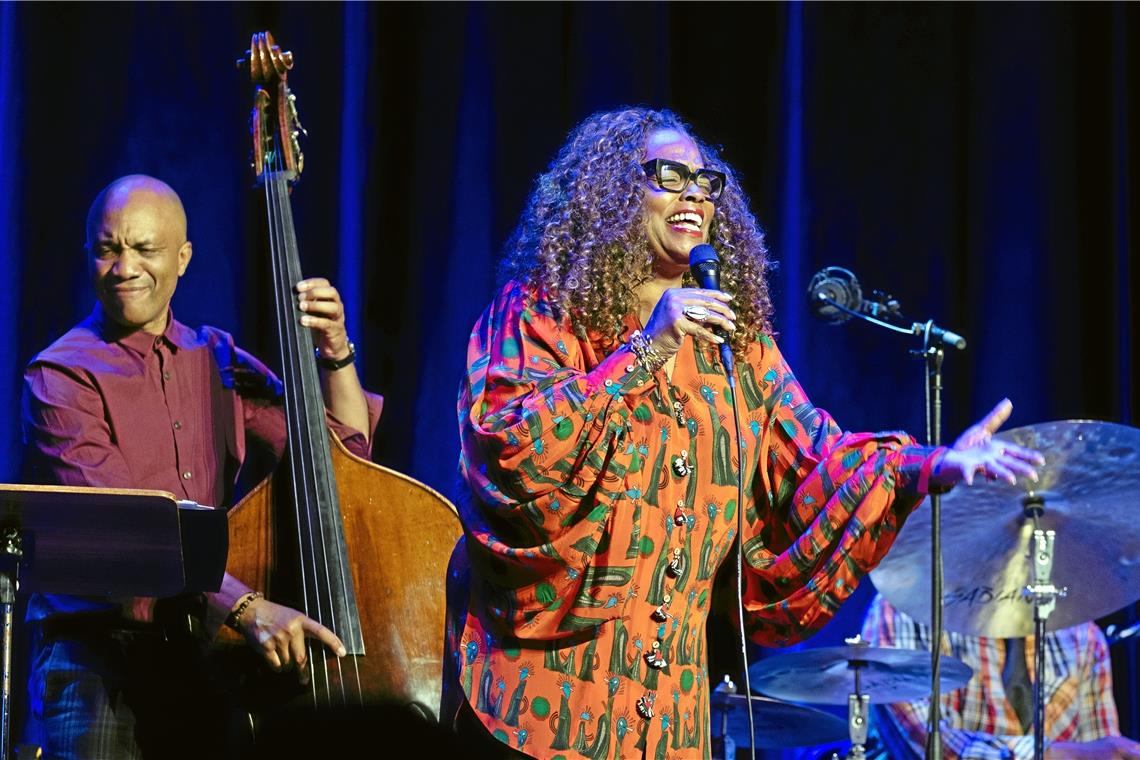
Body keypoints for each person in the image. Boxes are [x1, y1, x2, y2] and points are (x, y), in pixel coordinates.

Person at [441, 106, 1044, 760]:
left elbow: (815, 461)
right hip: (539, 706)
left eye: (705, 182)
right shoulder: (541, 311)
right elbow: (514, 446)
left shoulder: (739, 354)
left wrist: (934, 466)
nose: (694, 193)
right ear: (610, 190)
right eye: (669, 176)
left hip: (667, 725)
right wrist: (646, 350)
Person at [20, 174, 383, 759]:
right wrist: (246, 607)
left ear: (183, 258)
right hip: (97, 661)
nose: (123, 267)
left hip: (201, 656)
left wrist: (335, 351)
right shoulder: (60, 376)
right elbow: (131, 531)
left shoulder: (216, 357)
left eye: (145, 249)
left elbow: (340, 453)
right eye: (108, 248)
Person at [861, 592, 1140, 760]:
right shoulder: (904, 610)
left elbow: (1100, 749)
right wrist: (1053, 755)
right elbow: (927, 746)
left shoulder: (1083, 635)